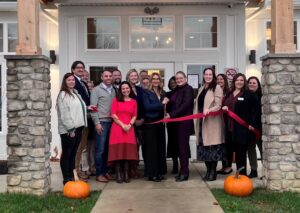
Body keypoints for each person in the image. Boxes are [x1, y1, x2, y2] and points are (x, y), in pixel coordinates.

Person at [222, 73, 259, 175]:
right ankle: (230, 169)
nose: (239, 82)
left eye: (241, 80)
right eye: (237, 80)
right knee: (229, 150)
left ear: (244, 82)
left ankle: (242, 176)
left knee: (240, 153)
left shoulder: (249, 94)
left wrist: (252, 124)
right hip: (229, 128)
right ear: (234, 82)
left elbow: (256, 110)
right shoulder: (229, 93)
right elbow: (225, 105)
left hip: (242, 129)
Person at [56, 73, 87, 185]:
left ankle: (71, 177)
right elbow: (64, 114)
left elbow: (77, 109)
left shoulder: (75, 93)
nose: (72, 81)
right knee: (67, 154)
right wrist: (70, 129)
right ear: (65, 82)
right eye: (69, 80)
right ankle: (66, 179)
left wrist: (87, 108)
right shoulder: (63, 95)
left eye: (73, 80)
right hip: (69, 130)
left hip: (78, 127)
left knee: (73, 154)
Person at [194, 68, 225, 181]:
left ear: (213, 76)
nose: (208, 76)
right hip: (201, 122)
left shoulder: (217, 88)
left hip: (212, 123)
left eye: (210, 74)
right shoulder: (202, 88)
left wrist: (210, 110)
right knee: (204, 148)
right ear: (203, 76)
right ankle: (208, 171)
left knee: (212, 148)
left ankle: (213, 172)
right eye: (206, 74)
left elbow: (218, 105)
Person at [165, 71, 194, 182]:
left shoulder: (188, 89)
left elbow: (185, 105)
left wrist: (171, 114)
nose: (178, 80)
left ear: (185, 78)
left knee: (183, 148)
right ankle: (182, 171)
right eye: (177, 78)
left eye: (180, 78)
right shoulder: (176, 90)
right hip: (175, 123)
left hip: (184, 123)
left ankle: (185, 173)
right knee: (179, 147)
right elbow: (173, 103)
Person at [108, 81, 138, 183]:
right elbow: (113, 115)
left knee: (127, 152)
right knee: (118, 152)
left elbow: (134, 115)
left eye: (127, 88)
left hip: (129, 129)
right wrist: (123, 125)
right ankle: (119, 173)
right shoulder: (116, 100)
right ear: (120, 90)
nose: (125, 90)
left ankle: (126, 173)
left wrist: (129, 125)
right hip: (117, 128)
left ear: (130, 89)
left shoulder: (134, 101)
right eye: (123, 89)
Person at [90, 70, 117, 182]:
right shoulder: (96, 90)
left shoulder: (114, 90)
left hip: (112, 122)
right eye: (106, 76)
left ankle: (106, 171)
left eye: (110, 76)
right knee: (100, 149)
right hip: (102, 122)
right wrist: (97, 123)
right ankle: (99, 173)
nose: (108, 78)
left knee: (107, 149)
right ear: (101, 77)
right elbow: (93, 108)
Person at [143, 73, 168, 182]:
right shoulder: (146, 92)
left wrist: (167, 113)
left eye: (158, 79)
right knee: (151, 149)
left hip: (160, 123)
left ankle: (160, 171)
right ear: (150, 80)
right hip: (150, 123)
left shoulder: (163, 92)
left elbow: (166, 107)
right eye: (153, 79)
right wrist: (162, 104)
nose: (156, 81)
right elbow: (148, 107)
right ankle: (152, 173)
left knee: (160, 148)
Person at [71, 61, 91, 180]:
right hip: (77, 120)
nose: (80, 69)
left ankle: (77, 170)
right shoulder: (72, 81)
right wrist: (86, 107)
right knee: (77, 147)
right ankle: (75, 173)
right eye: (78, 67)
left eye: (82, 67)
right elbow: (74, 102)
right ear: (73, 70)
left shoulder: (82, 82)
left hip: (86, 119)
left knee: (82, 146)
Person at [126, 69, 145, 178]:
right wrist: (133, 121)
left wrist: (142, 118)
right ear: (128, 77)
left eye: (135, 76)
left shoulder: (140, 89)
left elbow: (142, 105)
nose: (134, 77)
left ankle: (135, 168)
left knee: (138, 145)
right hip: (130, 122)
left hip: (141, 121)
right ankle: (130, 169)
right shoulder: (125, 88)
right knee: (132, 146)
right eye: (131, 76)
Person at [216, 74, 232, 175]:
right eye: (217, 79)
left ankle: (229, 166)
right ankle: (223, 166)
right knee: (221, 144)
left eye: (221, 79)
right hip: (218, 121)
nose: (219, 81)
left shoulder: (229, 93)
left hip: (227, 121)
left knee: (227, 144)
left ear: (225, 80)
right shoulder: (215, 91)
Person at [247, 76, 262, 178]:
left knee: (262, 149)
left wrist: (254, 124)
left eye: (254, 83)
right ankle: (253, 170)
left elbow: (258, 112)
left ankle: (266, 171)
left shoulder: (262, 96)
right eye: (250, 83)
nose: (252, 84)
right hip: (248, 128)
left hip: (259, 127)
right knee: (251, 149)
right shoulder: (246, 95)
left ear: (258, 85)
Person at [166, 76, 179, 174]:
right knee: (173, 143)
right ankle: (175, 164)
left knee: (181, 144)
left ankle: (183, 164)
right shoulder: (168, 94)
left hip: (181, 122)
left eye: (174, 82)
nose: (173, 84)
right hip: (171, 122)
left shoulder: (182, 93)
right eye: (171, 83)